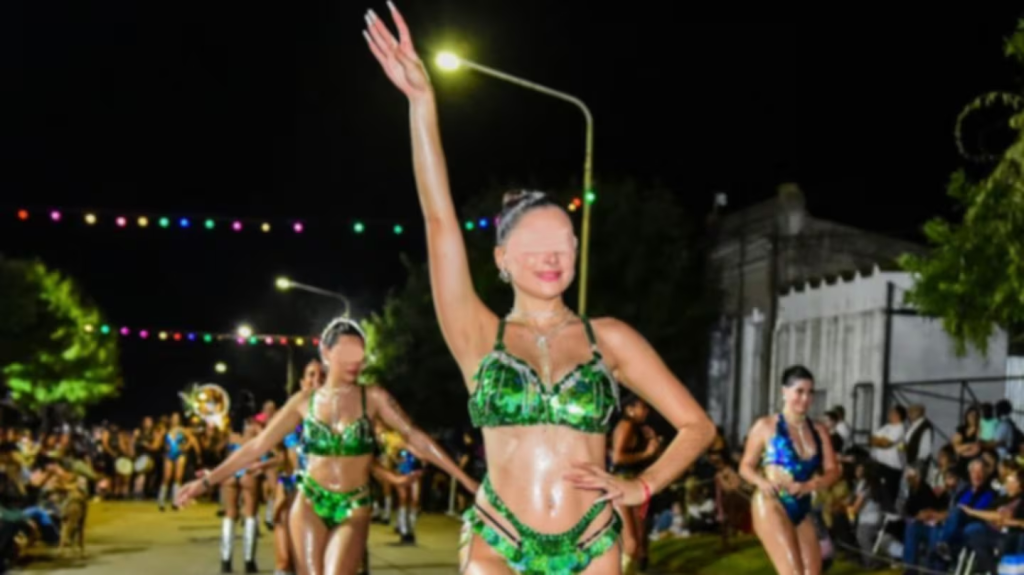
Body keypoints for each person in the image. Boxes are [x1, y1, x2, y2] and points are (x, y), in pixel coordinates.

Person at [363, 6, 716, 573]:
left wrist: (641, 486)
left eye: (563, 244)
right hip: (500, 539)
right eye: (533, 245)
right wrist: (422, 105)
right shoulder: (477, 333)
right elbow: (439, 220)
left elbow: (698, 427)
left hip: (593, 543)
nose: (551, 256)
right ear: (502, 259)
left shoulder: (610, 339)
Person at [177, 318, 477, 575]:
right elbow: (257, 445)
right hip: (309, 502)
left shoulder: (373, 397)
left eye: (359, 355)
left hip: (354, 506)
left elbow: (414, 436)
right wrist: (205, 482)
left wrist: (467, 482)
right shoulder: (303, 402)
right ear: (326, 352)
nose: (354, 362)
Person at [739, 365, 840, 575]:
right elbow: (745, 467)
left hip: (801, 507)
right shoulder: (765, 426)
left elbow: (833, 470)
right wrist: (762, 482)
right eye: (799, 391)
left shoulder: (819, 430)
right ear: (784, 392)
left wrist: (811, 485)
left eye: (810, 392)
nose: (805, 398)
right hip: (772, 502)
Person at [273, 359, 324, 575]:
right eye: (311, 374)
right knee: (284, 559)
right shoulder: (289, 413)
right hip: (290, 485)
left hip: (323, 492)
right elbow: (273, 450)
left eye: (322, 375)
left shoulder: (338, 414)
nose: (316, 379)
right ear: (303, 382)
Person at [608, 395, 660, 573]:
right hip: (622, 484)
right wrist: (646, 453)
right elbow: (617, 458)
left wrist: (652, 443)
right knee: (630, 543)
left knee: (639, 538)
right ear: (629, 409)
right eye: (642, 407)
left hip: (635, 484)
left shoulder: (638, 428)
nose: (646, 411)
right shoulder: (626, 425)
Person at [158, 413, 200, 512]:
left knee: (178, 478)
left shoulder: (182, 430)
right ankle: (161, 501)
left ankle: (175, 502)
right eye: (173, 418)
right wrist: (164, 446)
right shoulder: (166, 430)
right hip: (168, 455)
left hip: (180, 454)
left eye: (177, 418)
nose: (175, 419)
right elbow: (159, 442)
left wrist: (186, 447)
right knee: (166, 477)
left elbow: (192, 439)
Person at [869, 405, 907, 511]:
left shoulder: (900, 428)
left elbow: (886, 443)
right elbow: (871, 439)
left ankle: (889, 515)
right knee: (878, 493)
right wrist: (878, 441)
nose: (889, 414)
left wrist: (878, 441)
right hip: (880, 464)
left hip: (892, 467)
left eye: (892, 412)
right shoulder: (886, 426)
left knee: (888, 495)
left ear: (898, 415)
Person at [904, 404, 933, 477]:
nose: (908, 415)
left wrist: (918, 464)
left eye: (911, 412)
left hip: (917, 463)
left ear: (918, 413)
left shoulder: (925, 426)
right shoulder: (914, 425)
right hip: (910, 461)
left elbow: (925, 448)